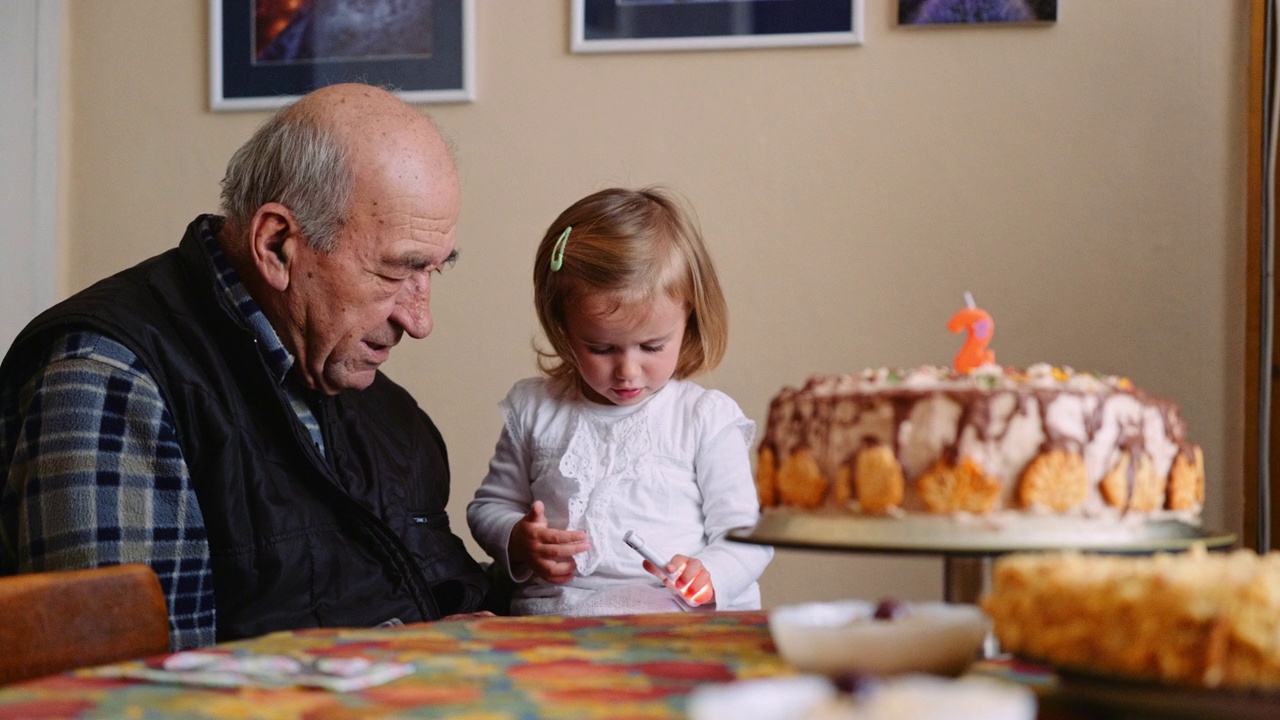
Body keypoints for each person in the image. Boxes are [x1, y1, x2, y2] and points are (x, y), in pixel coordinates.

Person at [0, 83, 494, 651]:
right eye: (394, 272)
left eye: (434, 270)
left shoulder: (376, 400)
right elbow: (128, 691)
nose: (419, 319)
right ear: (277, 243)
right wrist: (418, 656)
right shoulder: (108, 378)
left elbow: (431, 593)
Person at [467, 187, 772, 616]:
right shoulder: (536, 410)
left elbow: (747, 534)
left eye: (652, 346)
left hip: (671, 616)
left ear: (689, 320)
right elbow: (488, 506)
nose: (627, 371)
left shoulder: (702, 419)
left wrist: (710, 573)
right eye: (602, 349)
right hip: (557, 614)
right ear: (563, 328)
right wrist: (517, 538)